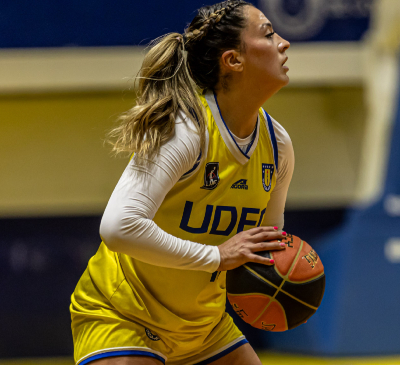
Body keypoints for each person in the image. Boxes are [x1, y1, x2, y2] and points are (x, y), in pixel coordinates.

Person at [70, 1, 293, 364]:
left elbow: (264, 246)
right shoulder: (187, 130)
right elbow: (118, 226)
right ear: (233, 60)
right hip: (124, 313)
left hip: (203, 326)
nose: (284, 43)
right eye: (269, 34)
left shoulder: (277, 144)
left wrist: (286, 283)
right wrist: (218, 256)